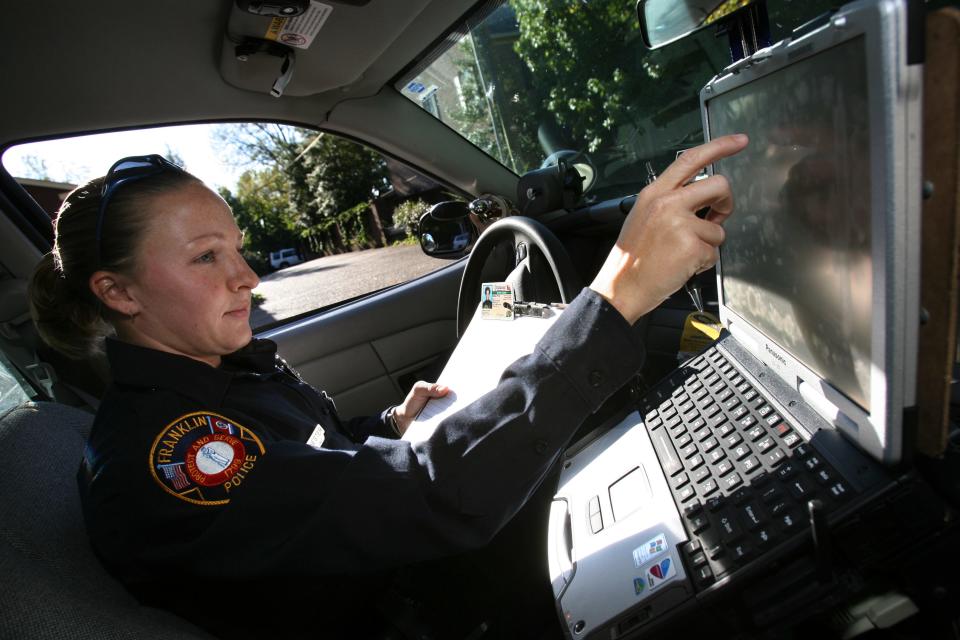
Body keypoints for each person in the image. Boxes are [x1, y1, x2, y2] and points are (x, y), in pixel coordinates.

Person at [28, 135, 747, 638]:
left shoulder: (213, 379)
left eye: (238, 248)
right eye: (205, 257)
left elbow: (311, 475)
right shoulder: (173, 455)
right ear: (118, 292)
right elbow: (427, 498)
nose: (245, 277)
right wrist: (616, 298)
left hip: (400, 570)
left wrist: (388, 426)